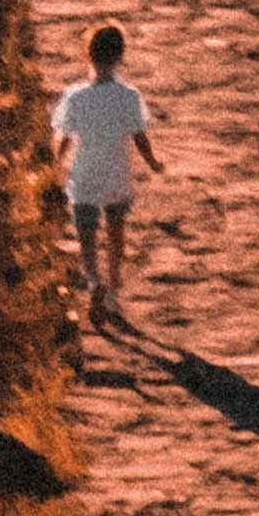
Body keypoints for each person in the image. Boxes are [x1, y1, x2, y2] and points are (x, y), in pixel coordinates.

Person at [50, 22, 156, 334]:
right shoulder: (128, 96)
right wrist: (153, 163)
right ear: (121, 56)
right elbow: (139, 136)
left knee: (86, 235)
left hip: (84, 176)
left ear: (88, 54)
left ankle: (93, 279)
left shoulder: (75, 96)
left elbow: (64, 137)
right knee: (115, 230)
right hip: (117, 175)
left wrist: (55, 162)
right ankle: (112, 285)